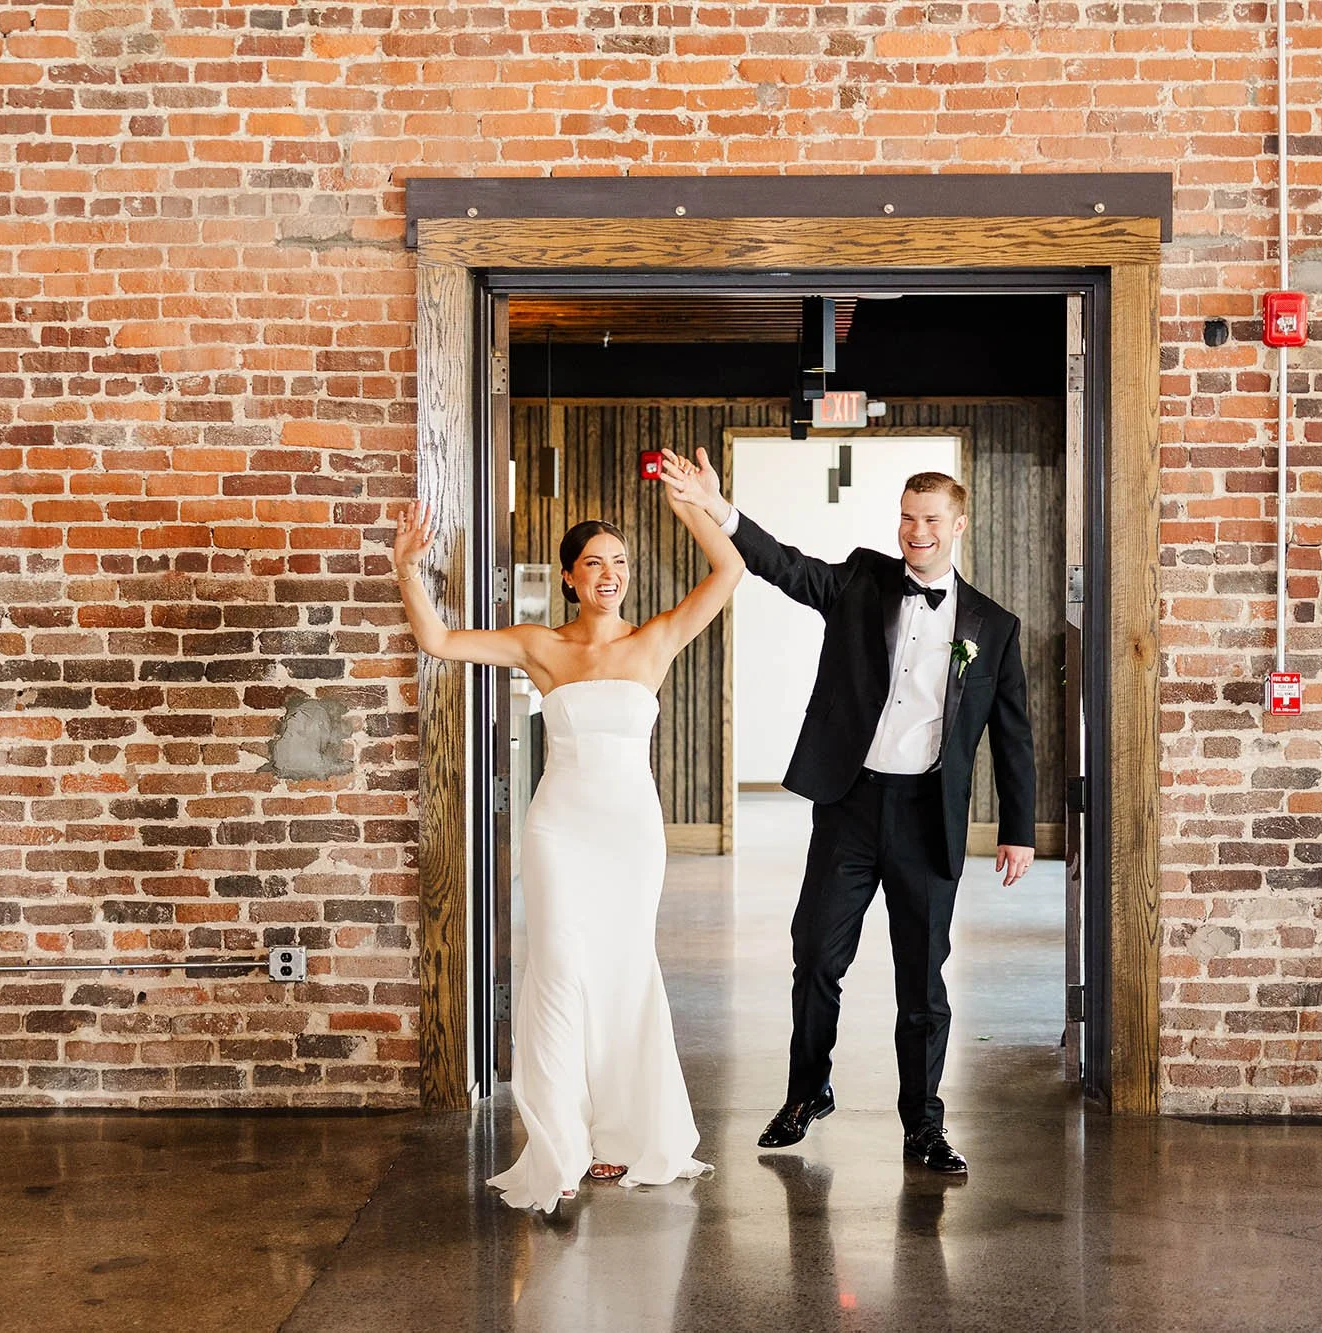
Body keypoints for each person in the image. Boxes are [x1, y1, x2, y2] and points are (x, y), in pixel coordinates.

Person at [659, 448, 1035, 1175]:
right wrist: (717, 506)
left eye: (929, 518)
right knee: (816, 957)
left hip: (929, 815)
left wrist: (1019, 829)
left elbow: (1012, 735)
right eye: (905, 516)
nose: (914, 530)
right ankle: (806, 1092)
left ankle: (923, 1124)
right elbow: (786, 565)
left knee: (922, 980)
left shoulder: (994, 624)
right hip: (851, 803)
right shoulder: (863, 579)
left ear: (958, 523)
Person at [390, 473, 743, 1212]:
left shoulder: (657, 638)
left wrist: (694, 508)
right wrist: (406, 569)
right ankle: (559, 1145)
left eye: (620, 563)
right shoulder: (540, 645)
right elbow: (437, 638)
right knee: (556, 971)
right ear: (569, 577)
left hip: (631, 834)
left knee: (622, 971)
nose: (610, 575)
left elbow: (731, 569)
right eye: (595, 563)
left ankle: (620, 1134)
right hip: (560, 829)